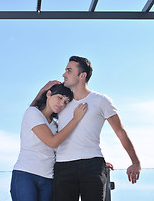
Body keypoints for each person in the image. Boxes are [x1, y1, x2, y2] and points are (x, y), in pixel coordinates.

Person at [33, 56, 141, 201]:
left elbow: (120, 132)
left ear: (82, 76)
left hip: (93, 165)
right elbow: (34, 115)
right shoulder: (61, 102)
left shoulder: (101, 100)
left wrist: (135, 162)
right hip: (63, 166)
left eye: (69, 71)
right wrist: (42, 91)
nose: (64, 74)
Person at [10, 83, 88, 201]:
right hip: (25, 175)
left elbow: (68, 147)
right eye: (60, 97)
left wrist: (92, 158)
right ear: (49, 94)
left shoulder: (56, 125)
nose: (62, 104)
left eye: (66, 102)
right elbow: (52, 142)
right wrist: (76, 119)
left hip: (49, 180)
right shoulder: (32, 113)